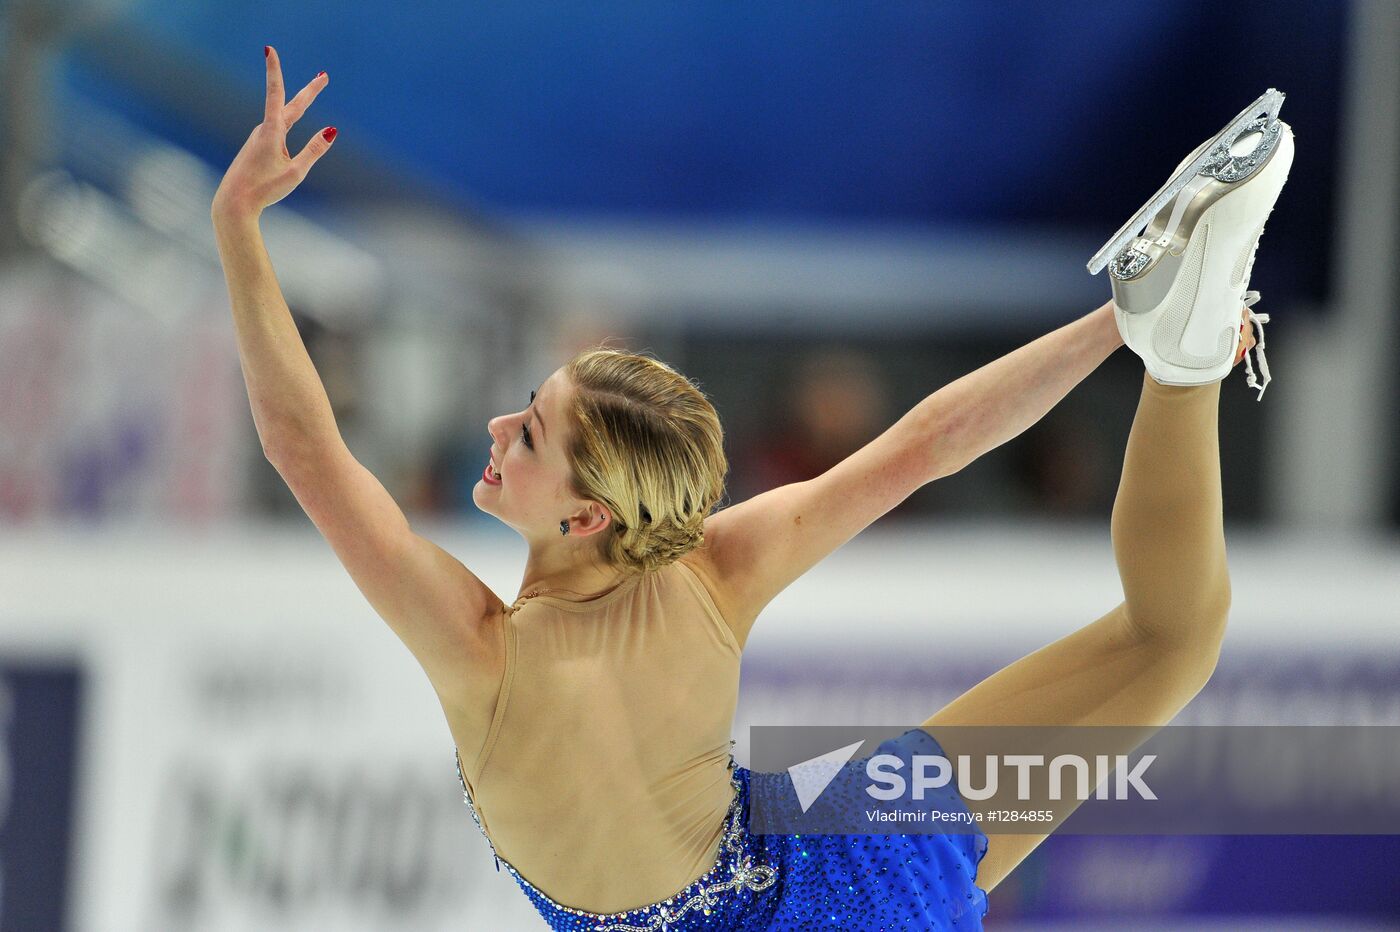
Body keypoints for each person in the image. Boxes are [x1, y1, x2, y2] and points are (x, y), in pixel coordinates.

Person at [211, 50, 1290, 930]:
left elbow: (308, 448)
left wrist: (238, 227)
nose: (497, 429)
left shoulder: (481, 651)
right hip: (843, 847)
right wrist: (1107, 325)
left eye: (526, 427)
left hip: (824, 859)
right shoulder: (714, 572)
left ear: (588, 514)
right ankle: (1174, 352)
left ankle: (1177, 346)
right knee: (1172, 637)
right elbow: (925, 442)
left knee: (1165, 642)